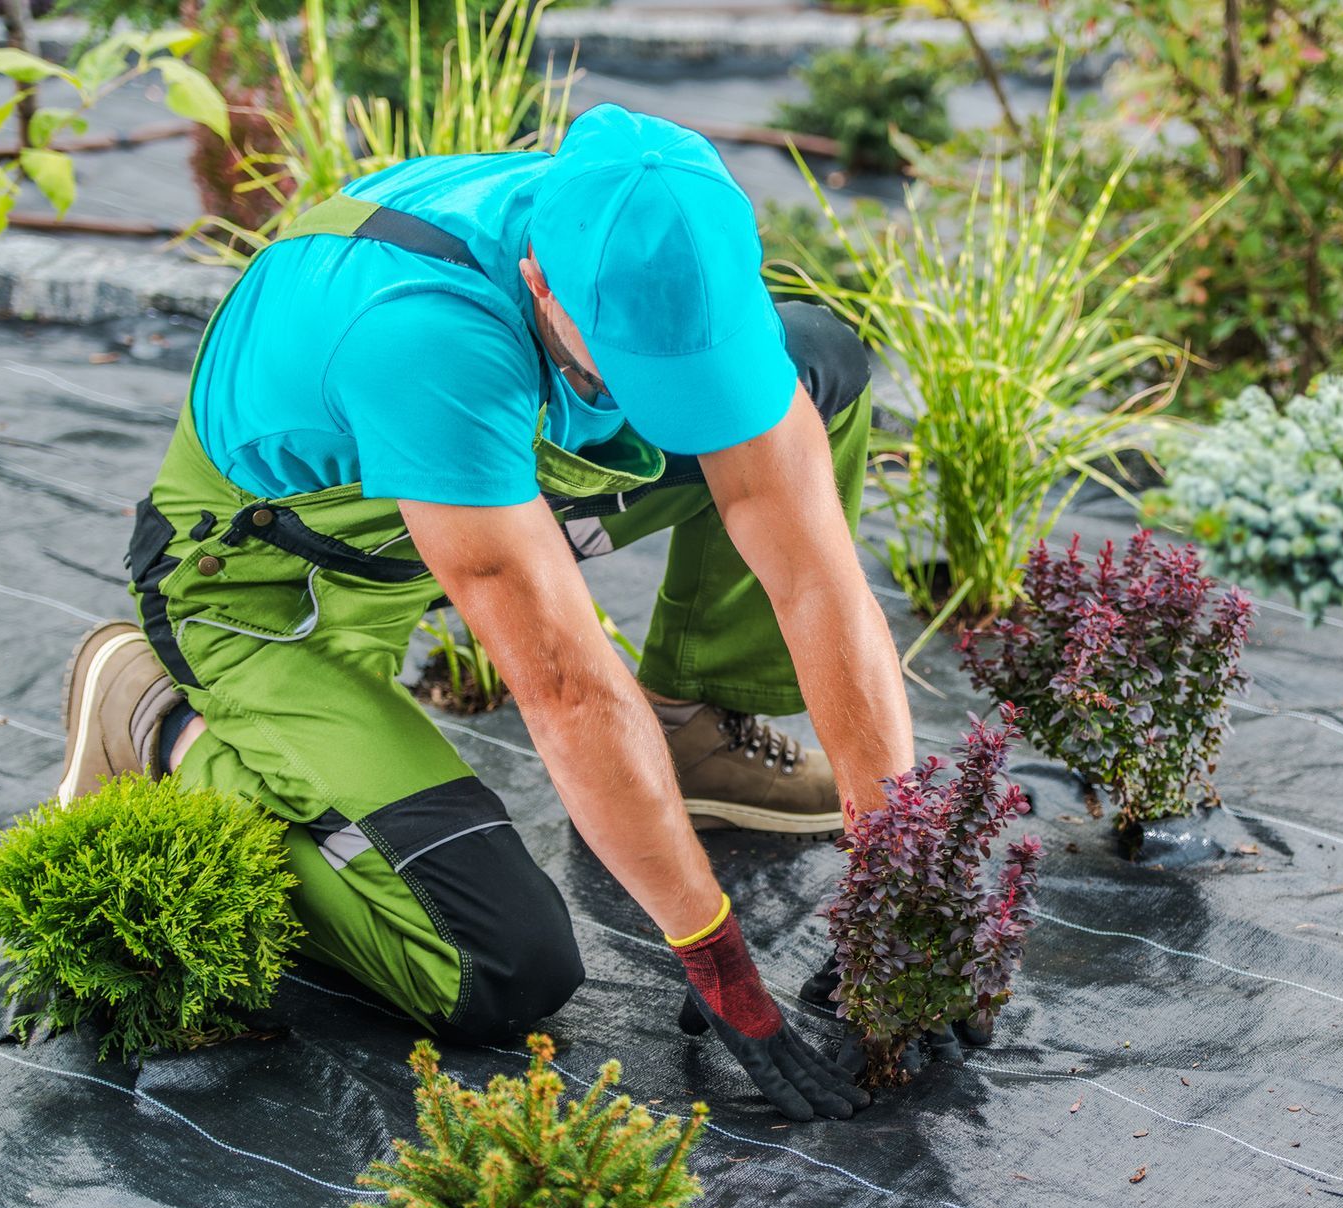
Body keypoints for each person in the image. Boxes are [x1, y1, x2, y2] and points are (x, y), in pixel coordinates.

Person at [53, 104, 913, 1121]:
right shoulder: (427, 332)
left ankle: (690, 725)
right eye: (628, 374)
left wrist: (899, 884)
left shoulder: (651, 256)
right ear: (543, 280)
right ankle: (166, 721)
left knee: (820, 373)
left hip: (460, 493)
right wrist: (715, 952)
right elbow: (562, 684)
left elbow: (817, 578)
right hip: (275, 592)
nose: (656, 403)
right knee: (501, 966)